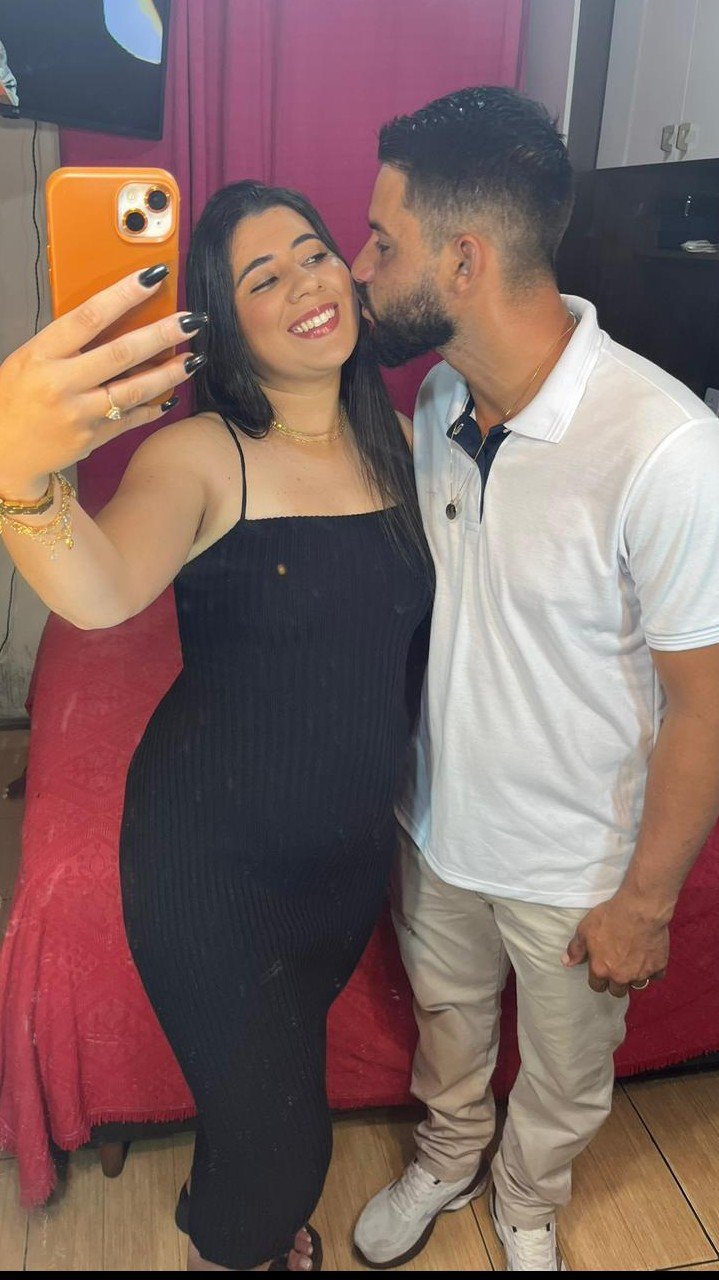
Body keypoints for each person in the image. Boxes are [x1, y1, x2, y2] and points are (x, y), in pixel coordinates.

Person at [0, 180, 432, 1271]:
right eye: (261, 277)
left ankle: (228, 1205)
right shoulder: (200, 456)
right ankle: (227, 1243)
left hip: (341, 867)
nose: (304, 284)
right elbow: (100, 592)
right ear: (224, 324)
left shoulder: (398, 445)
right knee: (286, 1151)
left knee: (262, 1097)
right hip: (210, 861)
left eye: (313, 252)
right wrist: (19, 473)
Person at [350, 86, 719, 1272]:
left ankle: (523, 1196)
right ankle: (448, 1152)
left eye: (381, 242)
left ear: (461, 260)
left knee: (564, 1073)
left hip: (576, 864)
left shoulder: (664, 446)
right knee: (447, 1028)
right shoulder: (436, 396)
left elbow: (705, 706)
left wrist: (644, 901)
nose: (358, 269)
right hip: (438, 825)